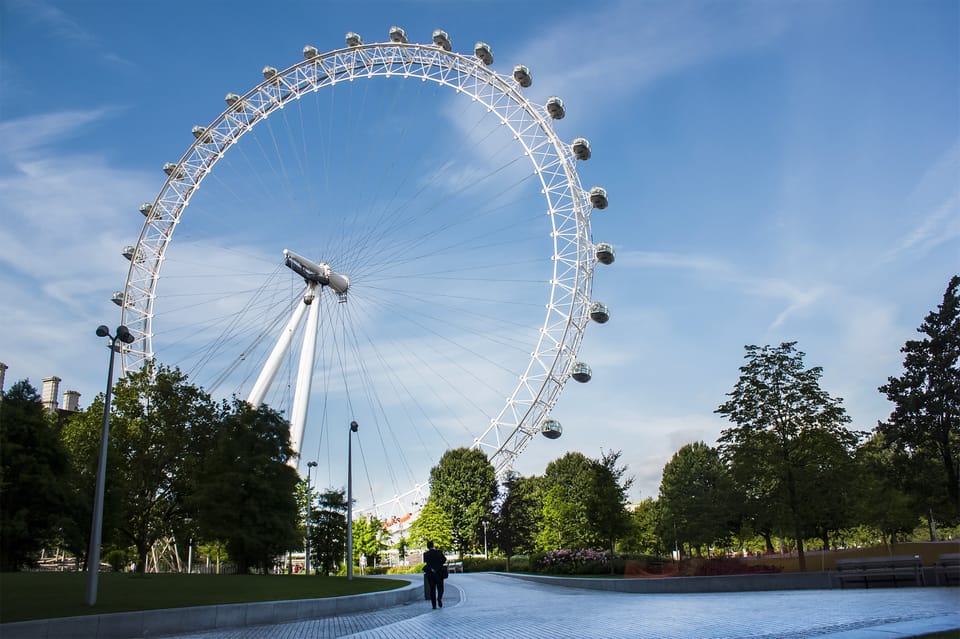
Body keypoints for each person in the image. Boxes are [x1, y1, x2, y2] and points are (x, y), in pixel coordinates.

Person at [422, 540, 447, 609]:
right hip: (439, 572)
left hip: (430, 573)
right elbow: (444, 560)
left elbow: (426, 562)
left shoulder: (426, 554)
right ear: (433, 545)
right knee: (440, 587)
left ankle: (434, 605)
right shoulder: (439, 552)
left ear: (427, 547)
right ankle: (439, 598)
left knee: (432, 589)